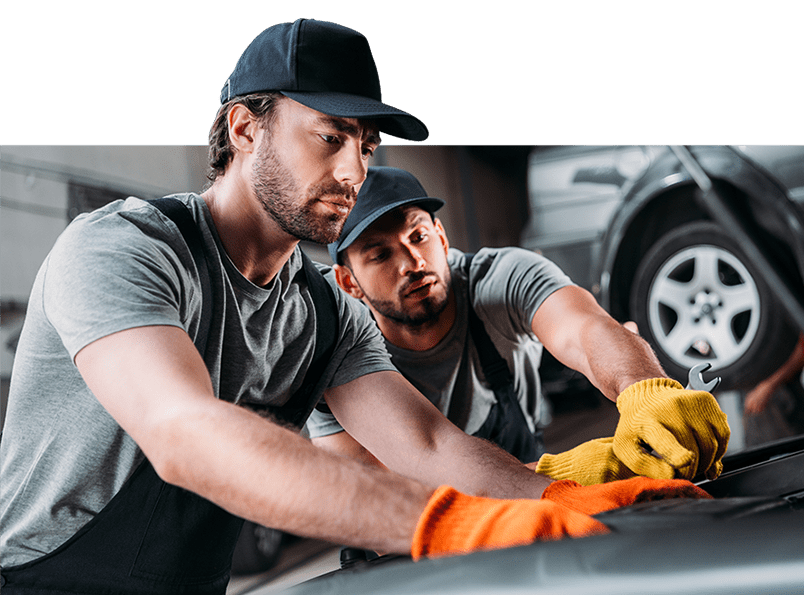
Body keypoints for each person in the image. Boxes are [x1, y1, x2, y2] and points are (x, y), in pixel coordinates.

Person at [0, 18, 711, 594]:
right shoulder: (125, 249)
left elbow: (431, 447)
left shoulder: (322, 314)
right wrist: (450, 526)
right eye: (330, 138)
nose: (353, 171)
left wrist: (552, 495)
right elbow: (183, 430)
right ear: (246, 129)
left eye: (365, 147)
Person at [310, 166, 730, 484]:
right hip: (430, 528)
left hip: (529, 476)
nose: (412, 264)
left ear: (441, 236)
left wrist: (644, 389)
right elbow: (384, 487)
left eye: (417, 236)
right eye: (380, 256)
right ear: (349, 282)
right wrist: (562, 476)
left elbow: (585, 329)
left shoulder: (501, 278)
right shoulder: (334, 342)